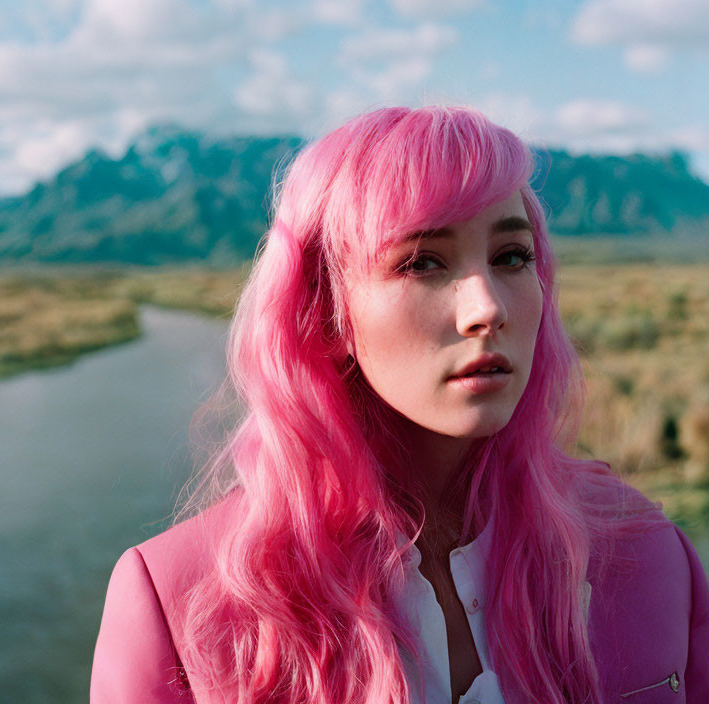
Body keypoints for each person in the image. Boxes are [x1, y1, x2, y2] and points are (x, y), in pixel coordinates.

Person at [90, 106, 709, 703]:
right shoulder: (178, 606)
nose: (487, 307)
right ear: (325, 311)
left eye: (511, 257)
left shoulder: (649, 556)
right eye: (421, 262)